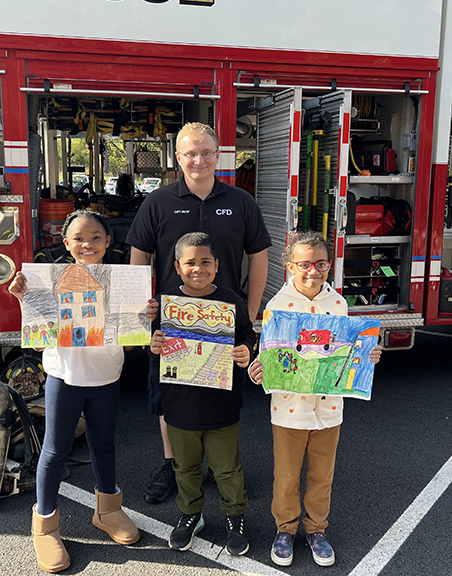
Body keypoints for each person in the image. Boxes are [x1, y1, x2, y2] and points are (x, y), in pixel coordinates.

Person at [127, 122, 271, 504]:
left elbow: (258, 257)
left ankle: (222, 466)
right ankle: (174, 463)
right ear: (178, 157)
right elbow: (139, 257)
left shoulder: (241, 202)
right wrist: (142, 308)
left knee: (222, 392)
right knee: (169, 395)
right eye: (191, 152)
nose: (199, 159)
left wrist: (251, 313)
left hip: (226, 322)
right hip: (172, 322)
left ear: (219, 155)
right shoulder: (157, 203)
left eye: (207, 152)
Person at [9, 208, 157, 574]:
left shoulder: (121, 280)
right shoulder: (49, 279)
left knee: (104, 444)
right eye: (78, 238)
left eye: (95, 238)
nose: (87, 244)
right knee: (55, 450)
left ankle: (108, 510)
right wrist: (22, 296)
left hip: (107, 375)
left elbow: (134, 329)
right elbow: (38, 320)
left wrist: (147, 312)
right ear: (66, 243)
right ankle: (45, 525)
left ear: (108, 241)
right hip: (64, 375)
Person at [248, 231, 383, 568]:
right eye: (304, 264)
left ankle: (316, 528)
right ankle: (285, 528)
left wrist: (367, 354)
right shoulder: (277, 307)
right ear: (290, 266)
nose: (313, 271)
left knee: (323, 474)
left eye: (321, 263)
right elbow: (268, 357)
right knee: (287, 475)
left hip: (329, 407)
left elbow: (345, 350)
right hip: (289, 410)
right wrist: (257, 370)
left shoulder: (337, 302)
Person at [149, 232, 256, 555]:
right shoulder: (166, 303)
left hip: (222, 403)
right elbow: (152, 346)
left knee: (227, 468)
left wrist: (245, 351)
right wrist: (152, 347)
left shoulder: (231, 301)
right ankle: (190, 514)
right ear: (178, 267)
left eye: (205, 262)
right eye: (190, 262)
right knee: (185, 466)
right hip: (179, 403)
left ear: (217, 265)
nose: (199, 268)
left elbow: (247, 335)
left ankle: (235, 516)